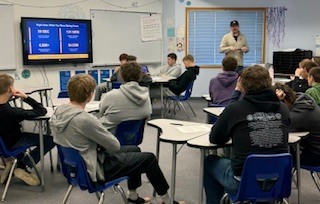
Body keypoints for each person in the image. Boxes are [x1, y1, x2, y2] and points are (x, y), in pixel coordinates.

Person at [49, 74, 184, 204]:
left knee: (135, 149)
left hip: (76, 166)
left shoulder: (58, 112)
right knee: (149, 158)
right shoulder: (85, 119)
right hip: (95, 169)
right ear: (90, 95)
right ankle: (167, 200)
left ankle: (132, 194)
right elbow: (115, 146)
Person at [204, 65, 290, 204]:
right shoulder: (283, 109)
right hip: (277, 181)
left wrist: (236, 92)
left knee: (209, 161)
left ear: (242, 84)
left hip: (243, 183)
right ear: (270, 82)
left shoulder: (235, 109)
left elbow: (215, 138)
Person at [0, 74, 55, 186]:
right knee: (50, 140)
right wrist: (25, 97)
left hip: (2, 146)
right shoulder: (13, 112)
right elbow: (41, 111)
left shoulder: (8, 110)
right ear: (11, 89)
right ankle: (24, 165)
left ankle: (12, 163)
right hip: (13, 143)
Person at [274, 83, 320, 166]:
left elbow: (277, 126)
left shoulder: (300, 113)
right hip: (314, 149)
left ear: (285, 100)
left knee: (278, 156)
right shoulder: (303, 102)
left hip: (315, 155)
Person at [100, 62, 152, 132]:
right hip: (133, 138)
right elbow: (148, 114)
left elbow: (101, 112)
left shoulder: (111, 95)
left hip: (109, 136)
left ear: (122, 76)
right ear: (140, 76)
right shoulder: (146, 96)